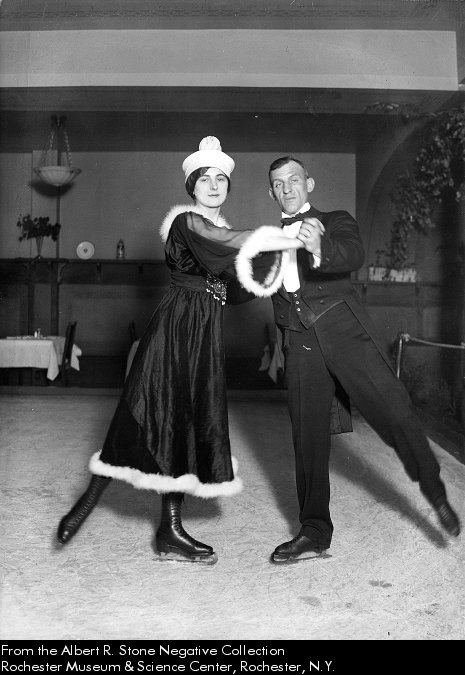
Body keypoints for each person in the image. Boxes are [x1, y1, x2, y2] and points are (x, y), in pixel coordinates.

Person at [56, 137, 302, 564]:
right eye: (204, 179)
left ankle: (169, 529)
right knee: (141, 410)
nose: (213, 185)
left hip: (203, 332)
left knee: (183, 420)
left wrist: (275, 267)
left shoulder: (219, 233)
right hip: (175, 328)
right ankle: (86, 502)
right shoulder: (188, 222)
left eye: (220, 179)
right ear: (191, 186)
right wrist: (280, 237)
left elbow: (234, 285)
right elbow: (225, 242)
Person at [236, 155, 461, 564]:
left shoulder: (335, 220)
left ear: (309, 184)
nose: (287, 189)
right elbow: (243, 283)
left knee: (394, 412)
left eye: (294, 180)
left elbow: (352, 253)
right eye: (279, 184)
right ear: (271, 193)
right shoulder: (267, 241)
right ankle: (314, 532)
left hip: (344, 330)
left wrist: (318, 246)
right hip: (299, 341)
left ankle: (435, 490)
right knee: (307, 439)